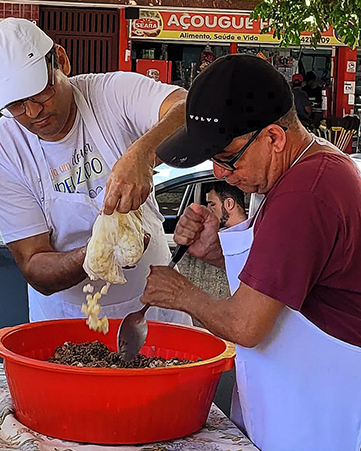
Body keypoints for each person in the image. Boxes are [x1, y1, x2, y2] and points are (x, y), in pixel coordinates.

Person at [143, 54, 361, 451]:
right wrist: (216, 253)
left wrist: (180, 293)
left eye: (227, 158)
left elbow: (247, 325)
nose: (219, 174)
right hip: (290, 407)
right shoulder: (303, 167)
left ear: (274, 138)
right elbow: (288, 282)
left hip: (319, 420)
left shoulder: (306, 193)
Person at [0, 18, 191, 325]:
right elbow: (34, 265)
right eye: (17, 105)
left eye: (40, 92)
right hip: (66, 317)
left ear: (61, 61)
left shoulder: (112, 94)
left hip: (154, 307)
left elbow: (187, 107)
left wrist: (141, 153)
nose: (34, 111)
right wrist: (97, 254)